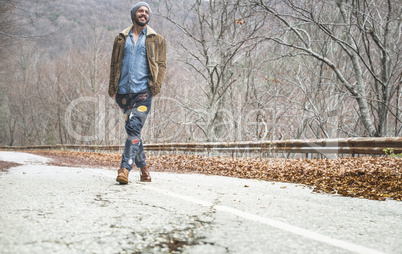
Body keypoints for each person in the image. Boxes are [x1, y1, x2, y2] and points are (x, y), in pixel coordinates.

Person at [108, 2, 166, 184]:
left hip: (143, 92)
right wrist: (112, 88)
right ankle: (144, 169)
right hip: (123, 93)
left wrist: (156, 86)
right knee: (134, 132)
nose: (143, 14)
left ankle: (125, 168)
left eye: (146, 12)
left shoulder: (157, 39)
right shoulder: (120, 38)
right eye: (140, 11)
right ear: (134, 14)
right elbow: (114, 64)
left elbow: (162, 65)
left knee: (133, 128)